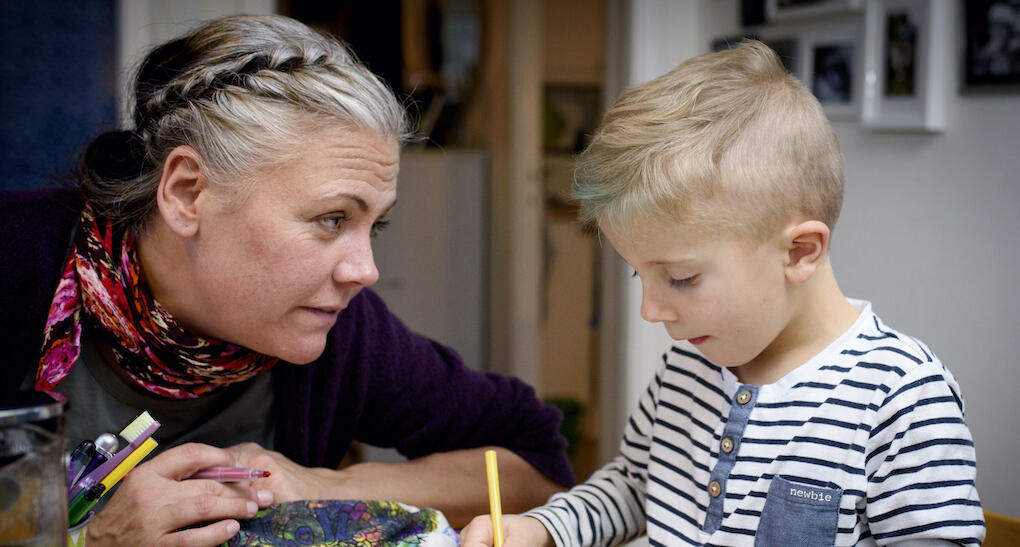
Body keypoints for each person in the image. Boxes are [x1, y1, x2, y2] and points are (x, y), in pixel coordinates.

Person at [0, 14, 572, 546]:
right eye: (332, 219)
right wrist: (90, 540)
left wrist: (327, 486)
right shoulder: (18, 259)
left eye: (373, 226)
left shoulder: (341, 330)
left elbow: (535, 465)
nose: (365, 272)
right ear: (187, 193)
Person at [461, 40, 984, 546]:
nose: (650, 311)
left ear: (799, 252)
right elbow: (635, 487)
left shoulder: (901, 396)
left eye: (681, 278)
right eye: (639, 275)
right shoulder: (687, 368)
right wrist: (542, 529)